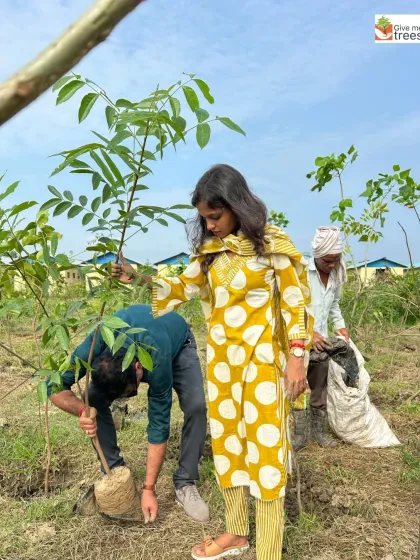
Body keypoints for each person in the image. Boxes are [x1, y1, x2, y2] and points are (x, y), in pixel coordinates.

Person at [112, 164, 313, 560]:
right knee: (230, 448)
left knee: (266, 452)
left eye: (215, 216)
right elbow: (182, 286)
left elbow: (296, 304)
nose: (210, 225)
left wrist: (296, 358)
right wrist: (140, 279)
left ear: (238, 206)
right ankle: (237, 532)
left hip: (262, 368)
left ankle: (269, 548)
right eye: (204, 218)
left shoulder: (273, 247)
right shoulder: (208, 254)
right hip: (222, 368)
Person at [49, 304, 209, 524]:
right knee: (93, 397)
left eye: (132, 391)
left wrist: (149, 488)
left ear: (137, 366)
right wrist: (82, 409)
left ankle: (185, 481)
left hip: (178, 342)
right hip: (140, 340)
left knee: (196, 405)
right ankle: (114, 470)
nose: (133, 395)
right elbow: (54, 387)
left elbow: (158, 425)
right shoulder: (96, 342)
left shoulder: (157, 359)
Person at [291, 226, 349, 450]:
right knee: (297, 387)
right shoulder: (301, 273)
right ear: (316, 256)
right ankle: (299, 436)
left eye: (335, 260)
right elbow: (292, 306)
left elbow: (334, 304)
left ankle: (319, 434)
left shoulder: (336, 274)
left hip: (322, 341)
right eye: (327, 261)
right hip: (299, 340)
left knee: (319, 387)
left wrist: (341, 326)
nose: (332, 265)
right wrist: (309, 333)